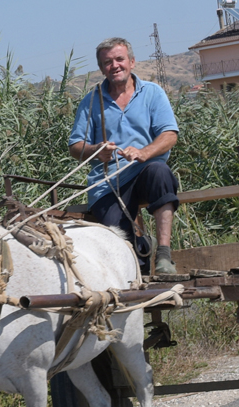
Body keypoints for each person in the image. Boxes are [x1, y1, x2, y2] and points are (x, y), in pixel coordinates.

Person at [68, 37, 179, 275]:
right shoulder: (91, 101)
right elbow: (75, 146)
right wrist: (96, 151)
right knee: (120, 242)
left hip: (144, 173)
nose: (115, 65)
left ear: (132, 61)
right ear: (101, 68)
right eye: (107, 62)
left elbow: (169, 135)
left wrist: (143, 152)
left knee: (161, 172)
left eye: (120, 59)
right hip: (107, 182)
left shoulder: (152, 93)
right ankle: (138, 261)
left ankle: (164, 255)